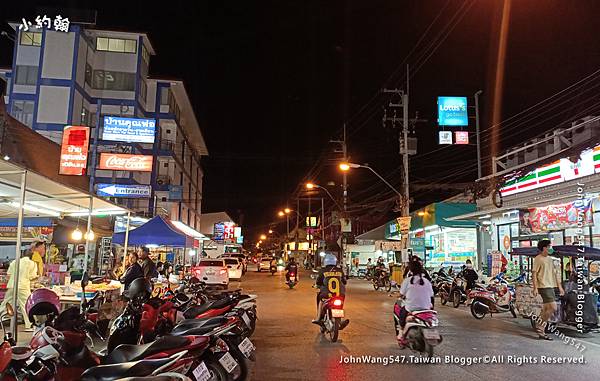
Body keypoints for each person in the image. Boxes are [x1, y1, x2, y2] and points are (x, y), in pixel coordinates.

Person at [532, 239, 564, 340]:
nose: (551, 248)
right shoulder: (538, 259)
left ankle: (540, 329)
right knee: (553, 307)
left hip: (551, 286)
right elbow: (534, 274)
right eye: (549, 246)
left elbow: (555, 274)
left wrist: (560, 287)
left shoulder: (550, 259)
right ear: (544, 248)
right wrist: (535, 288)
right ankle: (540, 326)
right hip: (543, 286)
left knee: (546, 308)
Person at [397, 259, 434, 344]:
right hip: (426, 308)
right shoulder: (426, 282)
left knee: (402, 315)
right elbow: (431, 294)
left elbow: (401, 293)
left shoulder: (407, 281)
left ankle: (402, 334)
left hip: (411, 308)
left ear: (411, 270)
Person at [0, 250, 38, 331]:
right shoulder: (32, 264)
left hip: (12, 285)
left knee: (5, 304)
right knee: (26, 305)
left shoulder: (14, 262)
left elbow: (9, 274)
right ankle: (29, 324)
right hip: (23, 286)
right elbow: (32, 276)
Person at [312, 253, 349, 329]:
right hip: (339, 294)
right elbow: (344, 282)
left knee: (320, 300)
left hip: (326, 294)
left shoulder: (323, 271)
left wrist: (318, 285)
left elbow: (318, 282)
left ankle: (318, 318)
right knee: (340, 304)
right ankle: (339, 321)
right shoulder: (340, 270)